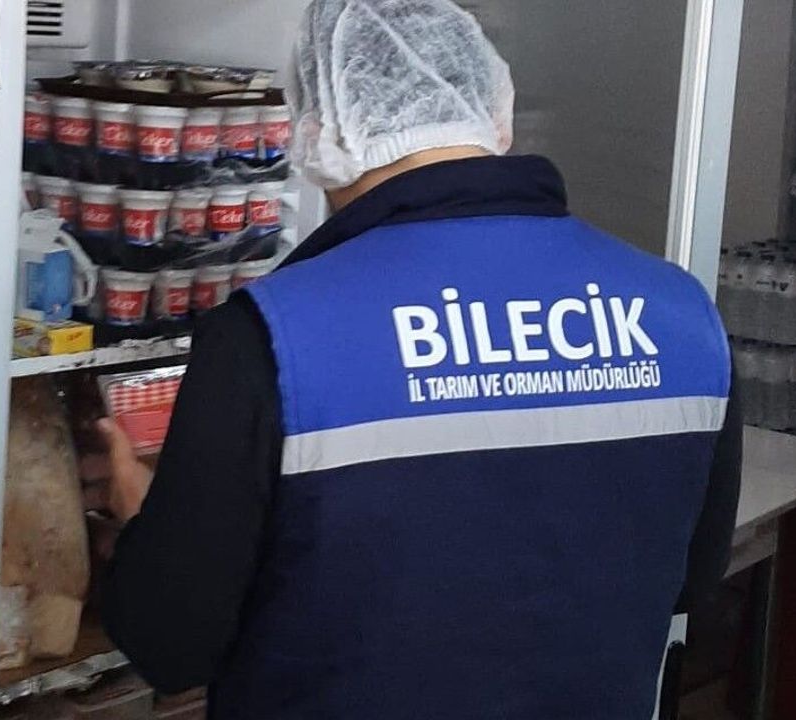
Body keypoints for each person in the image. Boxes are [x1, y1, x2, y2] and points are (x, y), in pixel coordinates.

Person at [97, 0, 742, 717]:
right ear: (495, 110)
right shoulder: (683, 316)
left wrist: (146, 525)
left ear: (315, 135)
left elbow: (172, 644)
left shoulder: (274, 335)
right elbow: (688, 580)